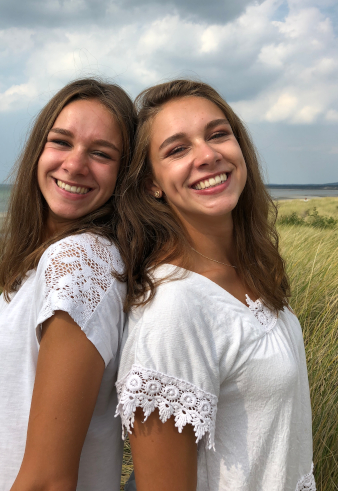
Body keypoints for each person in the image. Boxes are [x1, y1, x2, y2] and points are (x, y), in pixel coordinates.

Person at [115, 80, 314, 490]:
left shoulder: (250, 269)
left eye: (217, 134)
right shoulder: (174, 307)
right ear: (152, 183)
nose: (207, 155)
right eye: (177, 149)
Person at [0, 79, 136, 490]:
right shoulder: (48, 259)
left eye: (101, 153)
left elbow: (49, 480)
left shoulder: (79, 261)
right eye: (61, 142)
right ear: (38, 149)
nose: (74, 165)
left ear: (125, 175)